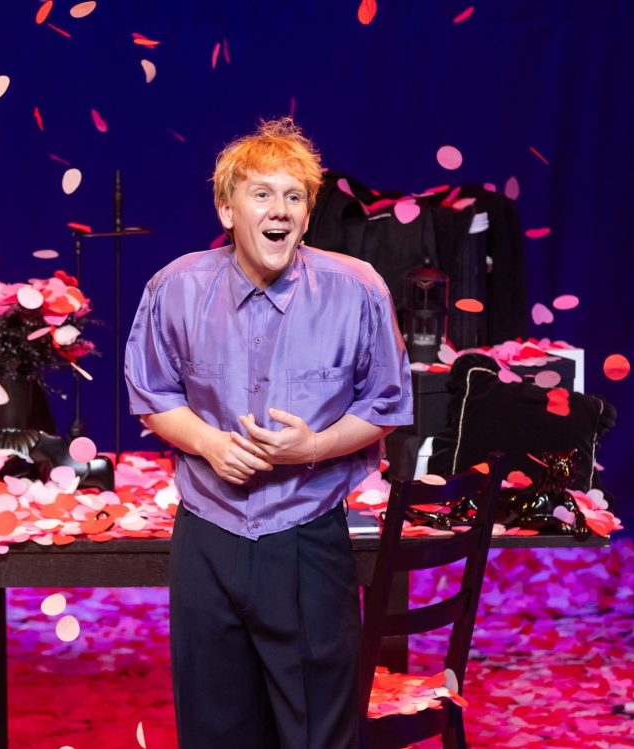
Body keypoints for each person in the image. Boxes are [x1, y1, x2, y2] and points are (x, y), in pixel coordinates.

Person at [124, 117, 413, 749]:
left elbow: (386, 404)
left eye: (294, 196)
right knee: (215, 726)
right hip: (208, 531)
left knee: (318, 731)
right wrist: (210, 445)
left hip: (307, 536)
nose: (279, 209)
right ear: (227, 209)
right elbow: (152, 394)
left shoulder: (356, 289)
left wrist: (311, 448)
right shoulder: (176, 287)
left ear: (308, 216)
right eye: (261, 194)